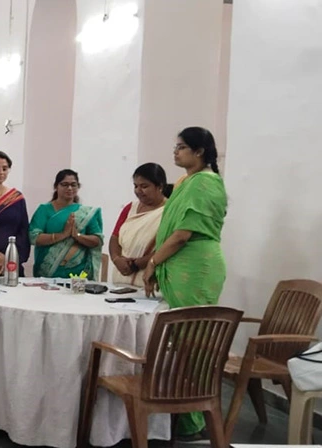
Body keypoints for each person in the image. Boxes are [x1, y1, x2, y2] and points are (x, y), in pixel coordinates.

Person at [143, 127, 227, 439]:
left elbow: (181, 235)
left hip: (196, 267)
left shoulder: (205, 182)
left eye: (181, 147)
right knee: (179, 341)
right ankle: (180, 409)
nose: (175, 152)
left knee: (193, 341)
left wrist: (153, 262)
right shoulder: (185, 181)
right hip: (181, 264)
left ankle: (194, 419)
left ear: (199, 151)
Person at [29, 169, 104, 279]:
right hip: (48, 274)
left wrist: (77, 235)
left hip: (78, 276)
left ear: (78, 187)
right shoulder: (44, 210)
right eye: (64, 184)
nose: (69, 188)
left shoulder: (86, 213)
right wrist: (63, 235)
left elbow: (97, 240)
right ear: (56, 186)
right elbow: (34, 237)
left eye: (73, 185)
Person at [109, 163, 169, 287]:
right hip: (121, 277)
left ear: (160, 186)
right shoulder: (130, 208)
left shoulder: (169, 211)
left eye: (144, 186)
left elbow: (168, 246)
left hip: (150, 279)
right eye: (135, 186)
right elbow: (115, 237)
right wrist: (116, 259)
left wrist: (137, 264)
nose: (138, 191)